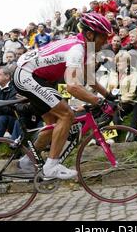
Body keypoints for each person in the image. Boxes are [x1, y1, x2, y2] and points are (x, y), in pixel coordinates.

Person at [13, 12, 116, 180]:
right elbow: (72, 87)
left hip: (38, 77)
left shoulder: (86, 47)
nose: (106, 41)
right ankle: (51, 167)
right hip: (27, 75)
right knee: (66, 114)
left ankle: (26, 162)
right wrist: (99, 102)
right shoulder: (77, 49)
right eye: (103, 37)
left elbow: (89, 78)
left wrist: (109, 96)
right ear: (90, 34)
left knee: (53, 125)